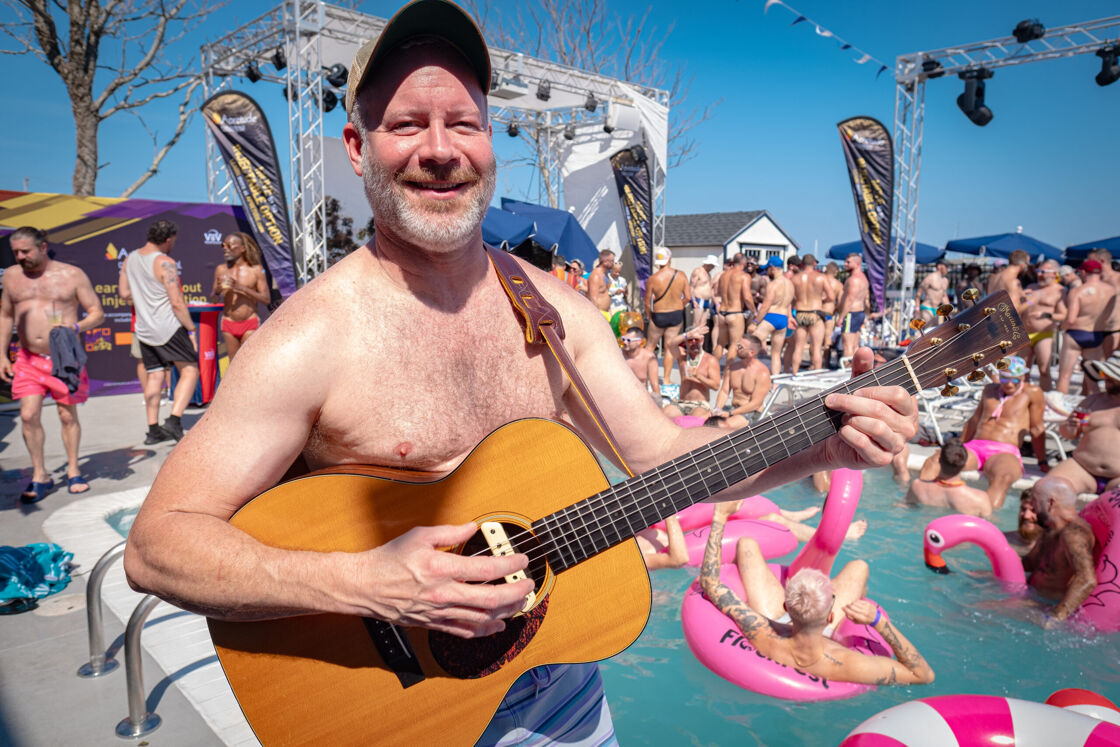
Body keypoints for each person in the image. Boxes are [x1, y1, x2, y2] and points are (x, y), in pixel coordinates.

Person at [122, 3, 918, 742]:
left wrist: (823, 449)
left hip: (563, 692)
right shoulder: (310, 339)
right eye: (407, 124)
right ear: (359, 149)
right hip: (396, 711)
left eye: (463, 122)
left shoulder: (557, 312)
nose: (440, 148)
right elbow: (158, 546)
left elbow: (662, 460)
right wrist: (367, 582)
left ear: (489, 142)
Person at [698, 501, 934, 686]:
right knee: (859, 567)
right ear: (832, 616)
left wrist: (720, 517)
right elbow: (922, 674)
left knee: (746, 544)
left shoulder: (762, 632)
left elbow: (710, 582)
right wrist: (878, 622)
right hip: (826, 639)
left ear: (786, 606)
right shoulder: (846, 664)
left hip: (779, 627)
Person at [0, 226, 104, 502]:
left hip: (63, 359)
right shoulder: (11, 277)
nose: (20, 257)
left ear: (43, 247)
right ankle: (40, 474)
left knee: (66, 415)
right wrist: (1, 354)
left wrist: (75, 327)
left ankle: (73, 470)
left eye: (26, 251)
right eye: (16, 252)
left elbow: (97, 313)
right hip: (27, 358)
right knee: (27, 415)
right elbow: (6, 315)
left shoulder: (71, 275)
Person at [918, 356, 1045, 510]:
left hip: (1004, 451)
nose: (1009, 384)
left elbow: (1037, 428)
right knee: (935, 461)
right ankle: (919, 505)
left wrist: (1042, 462)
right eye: (1004, 380)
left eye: (1015, 380)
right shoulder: (990, 389)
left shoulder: (1032, 392)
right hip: (975, 447)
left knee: (1003, 478)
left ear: (1023, 377)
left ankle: (985, 521)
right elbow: (974, 421)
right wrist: (958, 446)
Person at [118, 219, 199, 443]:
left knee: (154, 374)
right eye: (173, 240)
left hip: (144, 328)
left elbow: (124, 293)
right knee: (190, 370)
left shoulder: (130, 259)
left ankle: (153, 430)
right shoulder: (165, 262)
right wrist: (191, 329)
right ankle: (174, 421)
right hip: (168, 325)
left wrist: (144, 297)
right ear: (167, 239)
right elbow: (176, 302)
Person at [1022, 478, 1099, 628]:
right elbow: (1030, 563)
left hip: (1046, 605)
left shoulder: (1074, 534)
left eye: (1035, 501)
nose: (1033, 507)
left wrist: (1055, 617)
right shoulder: (1050, 527)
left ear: (1050, 503)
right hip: (1030, 597)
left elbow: (1087, 579)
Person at [1047, 354, 1120, 495]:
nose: (1106, 378)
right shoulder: (1092, 402)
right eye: (1104, 373)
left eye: (1111, 375)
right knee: (1047, 489)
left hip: (1117, 478)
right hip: (1083, 469)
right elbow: (1068, 434)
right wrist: (1070, 427)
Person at [1057, 259, 1116, 395]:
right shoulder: (1111, 291)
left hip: (1076, 333)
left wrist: (1062, 327)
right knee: (1092, 379)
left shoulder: (1077, 291)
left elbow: (1071, 319)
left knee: (1064, 376)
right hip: (1096, 334)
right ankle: (1091, 410)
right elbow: (1108, 316)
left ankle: (1059, 408)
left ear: (1083, 272)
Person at [211, 232, 270, 361]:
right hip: (228, 323)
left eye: (230, 245)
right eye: (223, 245)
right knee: (232, 365)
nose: (225, 248)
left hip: (249, 322)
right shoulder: (221, 269)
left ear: (242, 248)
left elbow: (266, 299)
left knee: (248, 362)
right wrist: (218, 291)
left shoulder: (256, 270)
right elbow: (213, 300)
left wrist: (241, 287)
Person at [905, 438, 992, 517]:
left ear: (939, 460)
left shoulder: (917, 486)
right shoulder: (979, 499)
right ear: (965, 465)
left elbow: (906, 507)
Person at [644, 246, 690, 382]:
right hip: (675, 314)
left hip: (659, 314)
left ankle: (644, 377)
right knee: (669, 348)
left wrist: (649, 315)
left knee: (650, 346)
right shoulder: (681, 275)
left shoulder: (653, 279)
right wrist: (678, 306)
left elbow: (647, 302)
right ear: (669, 259)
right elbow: (688, 297)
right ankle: (666, 379)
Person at [1021, 259, 1066, 391]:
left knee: (1044, 369)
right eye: (1038, 271)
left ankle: (1045, 397)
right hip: (1024, 333)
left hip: (1043, 334)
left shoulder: (1059, 291)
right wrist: (1023, 297)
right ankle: (1023, 395)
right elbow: (1022, 306)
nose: (1039, 274)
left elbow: (1063, 315)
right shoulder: (1031, 287)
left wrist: (1046, 315)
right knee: (1023, 369)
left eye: (1043, 272)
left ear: (1054, 274)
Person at [788, 254, 833, 374]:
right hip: (815, 313)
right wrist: (820, 299)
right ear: (814, 264)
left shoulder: (795, 278)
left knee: (798, 348)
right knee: (817, 348)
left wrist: (789, 315)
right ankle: (817, 376)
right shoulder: (821, 277)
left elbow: (789, 299)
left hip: (800, 312)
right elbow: (831, 296)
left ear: (802, 264)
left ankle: (795, 374)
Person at [662, 326, 720, 419]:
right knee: (664, 415)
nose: (693, 343)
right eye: (690, 340)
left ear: (702, 340)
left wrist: (698, 376)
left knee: (695, 420)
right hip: (681, 402)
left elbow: (716, 386)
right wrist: (688, 334)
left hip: (700, 404)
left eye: (696, 340)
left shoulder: (710, 360)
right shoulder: (682, 355)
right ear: (685, 342)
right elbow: (670, 344)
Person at [750, 256, 794, 376]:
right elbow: (789, 303)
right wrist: (790, 317)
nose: (767, 271)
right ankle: (775, 383)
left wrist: (754, 323)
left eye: (768, 268)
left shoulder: (773, 284)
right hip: (783, 319)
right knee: (776, 354)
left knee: (750, 345)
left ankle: (753, 375)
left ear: (773, 268)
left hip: (771, 317)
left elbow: (765, 306)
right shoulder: (790, 284)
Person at [715, 335, 771, 422]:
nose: (736, 348)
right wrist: (717, 409)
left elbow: (755, 404)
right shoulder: (732, 368)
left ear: (751, 353)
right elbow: (724, 392)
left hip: (751, 412)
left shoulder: (762, 373)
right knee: (706, 420)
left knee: (724, 424)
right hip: (733, 409)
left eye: (740, 347)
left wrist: (730, 413)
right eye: (737, 345)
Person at [713, 253, 755, 363]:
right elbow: (747, 297)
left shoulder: (723, 275)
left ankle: (712, 369)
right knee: (734, 345)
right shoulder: (744, 276)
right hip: (735, 313)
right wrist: (754, 311)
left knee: (720, 344)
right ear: (744, 263)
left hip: (722, 313)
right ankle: (728, 374)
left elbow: (717, 292)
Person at [834, 253, 869, 362]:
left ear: (857, 263)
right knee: (854, 345)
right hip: (859, 313)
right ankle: (854, 371)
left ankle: (849, 371)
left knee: (847, 345)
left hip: (851, 313)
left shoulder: (853, 280)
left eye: (848, 262)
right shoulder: (864, 278)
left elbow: (849, 299)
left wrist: (841, 317)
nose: (845, 264)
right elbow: (866, 299)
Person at [1087, 248, 1120, 358]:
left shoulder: (1118, 278)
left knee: (1110, 367)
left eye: (1091, 261)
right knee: (1095, 368)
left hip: (1114, 329)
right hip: (1093, 329)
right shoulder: (1092, 280)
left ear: (1101, 261)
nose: (1088, 264)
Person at [620, 325, 660, 403]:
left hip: (641, 399)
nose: (625, 342)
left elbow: (654, 385)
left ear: (639, 342)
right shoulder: (619, 354)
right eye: (623, 339)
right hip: (622, 397)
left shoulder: (649, 358)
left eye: (628, 340)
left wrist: (659, 406)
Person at [1005, 488, 1044, 557]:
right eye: (1023, 509)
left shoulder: (1057, 548)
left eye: (1034, 510)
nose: (1026, 516)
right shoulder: (1004, 540)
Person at [689, 254, 718, 343]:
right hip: (699, 299)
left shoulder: (708, 274)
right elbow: (691, 286)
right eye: (712, 265)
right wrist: (693, 300)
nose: (712, 267)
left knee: (703, 325)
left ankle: (700, 344)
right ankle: (692, 342)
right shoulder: (698, 271)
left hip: (706, 300)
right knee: (696, 323)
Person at [585, 249, 614, 317]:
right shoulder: (596, 276)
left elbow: (607, 294)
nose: (613, 263)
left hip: (606, 314)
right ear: (605, 262)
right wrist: (598, 317)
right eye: (612, 261)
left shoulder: (606, 274)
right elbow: (593, 298)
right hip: (599, 314)